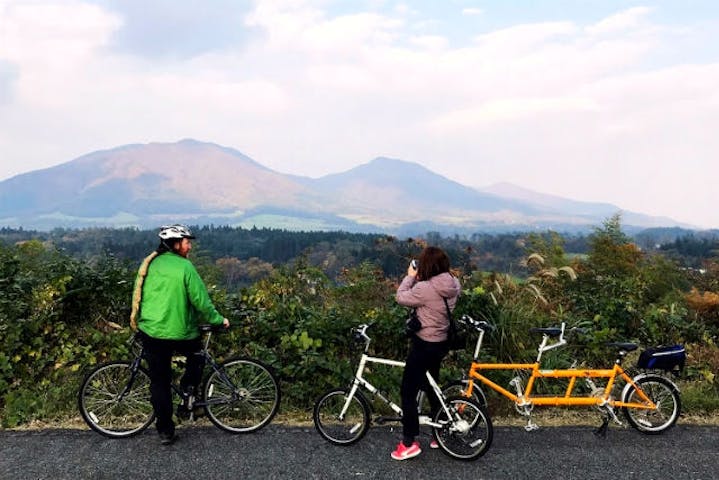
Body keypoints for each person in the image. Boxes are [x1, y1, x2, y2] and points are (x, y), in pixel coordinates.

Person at [129, 224, 229, 445]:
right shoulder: (185, 267)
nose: (190, 246)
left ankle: (165, 431)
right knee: (198, 355)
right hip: (180, 332)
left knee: (159, 382)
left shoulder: (149, 264)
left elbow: (137, 294)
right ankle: (188, 393)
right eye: (186, 242)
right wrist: (218, 320)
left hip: (151, 332)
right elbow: (201, 301)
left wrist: (139, 323)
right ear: (176, 244)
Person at [392, 246, 461, 460]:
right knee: (432, 387)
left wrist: (410, 276)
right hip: (441, 342)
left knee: (408, 392)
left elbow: (401, 297)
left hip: (423, 345)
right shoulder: (454, 284)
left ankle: (409, 442)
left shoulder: (424, 288)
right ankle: (439, 430)